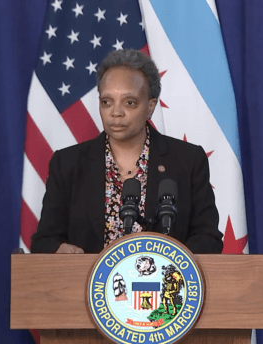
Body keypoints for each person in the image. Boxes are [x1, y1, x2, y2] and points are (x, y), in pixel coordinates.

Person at [31, 49, 223, 254]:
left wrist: (172, 262)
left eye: (129, 102)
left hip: (167, 282)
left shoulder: (188, 161)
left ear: (150, 106)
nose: (116, 112)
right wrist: (60, 249)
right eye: (107, 102)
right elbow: (44, 240)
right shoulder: (67, 163)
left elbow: (208, 237)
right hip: (87, 284)